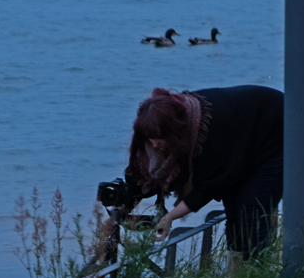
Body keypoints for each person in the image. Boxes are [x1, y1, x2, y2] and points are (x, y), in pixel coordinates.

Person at [114, 85, 283, 260]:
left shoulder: (205, 132)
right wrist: (123, 207)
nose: (154, 145)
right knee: (233, 208)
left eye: (159, 139)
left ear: (174, 132)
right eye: (150, 139)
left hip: (275, 134)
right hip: (239, 142)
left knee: (252, 207)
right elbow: (142, 178)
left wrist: (169, 217)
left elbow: (207, 187)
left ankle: (258, 272)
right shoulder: (156, 132)